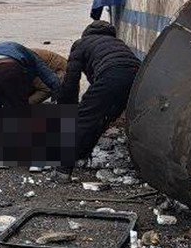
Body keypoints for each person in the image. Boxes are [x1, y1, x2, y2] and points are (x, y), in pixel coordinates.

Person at [59, 20, 141, 165]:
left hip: (111, 74)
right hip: (139, 79)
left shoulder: (81, 44)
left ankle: (64, 168)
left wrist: (67, 110)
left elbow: (71, 81)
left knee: (84, 119)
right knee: (103, 118)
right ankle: (83, 155)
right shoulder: (118, 43)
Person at [0, 42, 60, 108]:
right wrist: (59, 98)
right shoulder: (33, 57)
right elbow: (51, 78)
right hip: (8, 66)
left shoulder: (19, 52)